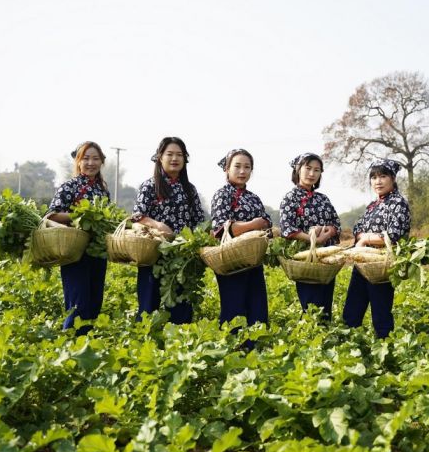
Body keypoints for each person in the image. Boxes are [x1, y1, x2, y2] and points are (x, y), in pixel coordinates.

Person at [132, 137, 205, 324]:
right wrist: (158, 225)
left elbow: (199, 221)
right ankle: (147, 347)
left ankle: (179, 346)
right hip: (153, 254)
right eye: (170, 154)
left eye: (179, 155)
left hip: (182, 259)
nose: (175, 158)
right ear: (159, 157)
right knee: (149, 308)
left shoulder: (189, 189)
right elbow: (137, 217)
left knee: (181, 309)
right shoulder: (150, 186)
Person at [342, 159, 411, 338]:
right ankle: (350, 349)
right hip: (362, 263)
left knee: (381, 315)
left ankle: (386, 352)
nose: (377, 181)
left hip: (382, 264)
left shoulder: (398, 203)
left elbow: (394, 234)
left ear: (393, 178)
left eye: (382, 176)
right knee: (351, 312)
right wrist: (364, 237)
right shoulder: (373, 205)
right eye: (373, 177)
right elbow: (357, 230)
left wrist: (366, 238)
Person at [48, 141, 110, 334]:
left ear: (101, 162)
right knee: (78, 304)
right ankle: (70, 345)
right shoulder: (70, 186)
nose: (91, 163)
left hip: (98, 252)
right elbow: (52, 215)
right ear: (78, 161)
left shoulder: (103, 190)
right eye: (86, 158)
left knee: (94, 302)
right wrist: (82, 216)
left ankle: (87, 345)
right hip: (75, 251)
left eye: (95, 158)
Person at [210, 148, 271, 329]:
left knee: (258, 309)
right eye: (237, 166)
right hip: (231, 262)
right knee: (234, 310)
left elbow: (267, 223)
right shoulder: (222, 195)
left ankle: (255, 350)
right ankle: (232, 352)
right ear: (227, 168)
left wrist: (252, 225)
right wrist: (253, 224)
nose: (243, 171)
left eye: (247, 167)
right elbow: (223, 229)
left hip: (253, 261)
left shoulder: (254, 198)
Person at [279, 152, 341, 319]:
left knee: (326, 303)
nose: (312, 174)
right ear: (298, 170)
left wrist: (329, 230)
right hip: (305, 258)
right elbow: (287, 229)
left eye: (317, 170)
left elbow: (336, 224)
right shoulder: (290, 198)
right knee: (310, 304)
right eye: (308, 168)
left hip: (326, 258)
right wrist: (314, 239)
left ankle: (325, 336)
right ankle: (311, 337)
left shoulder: (323, 199)